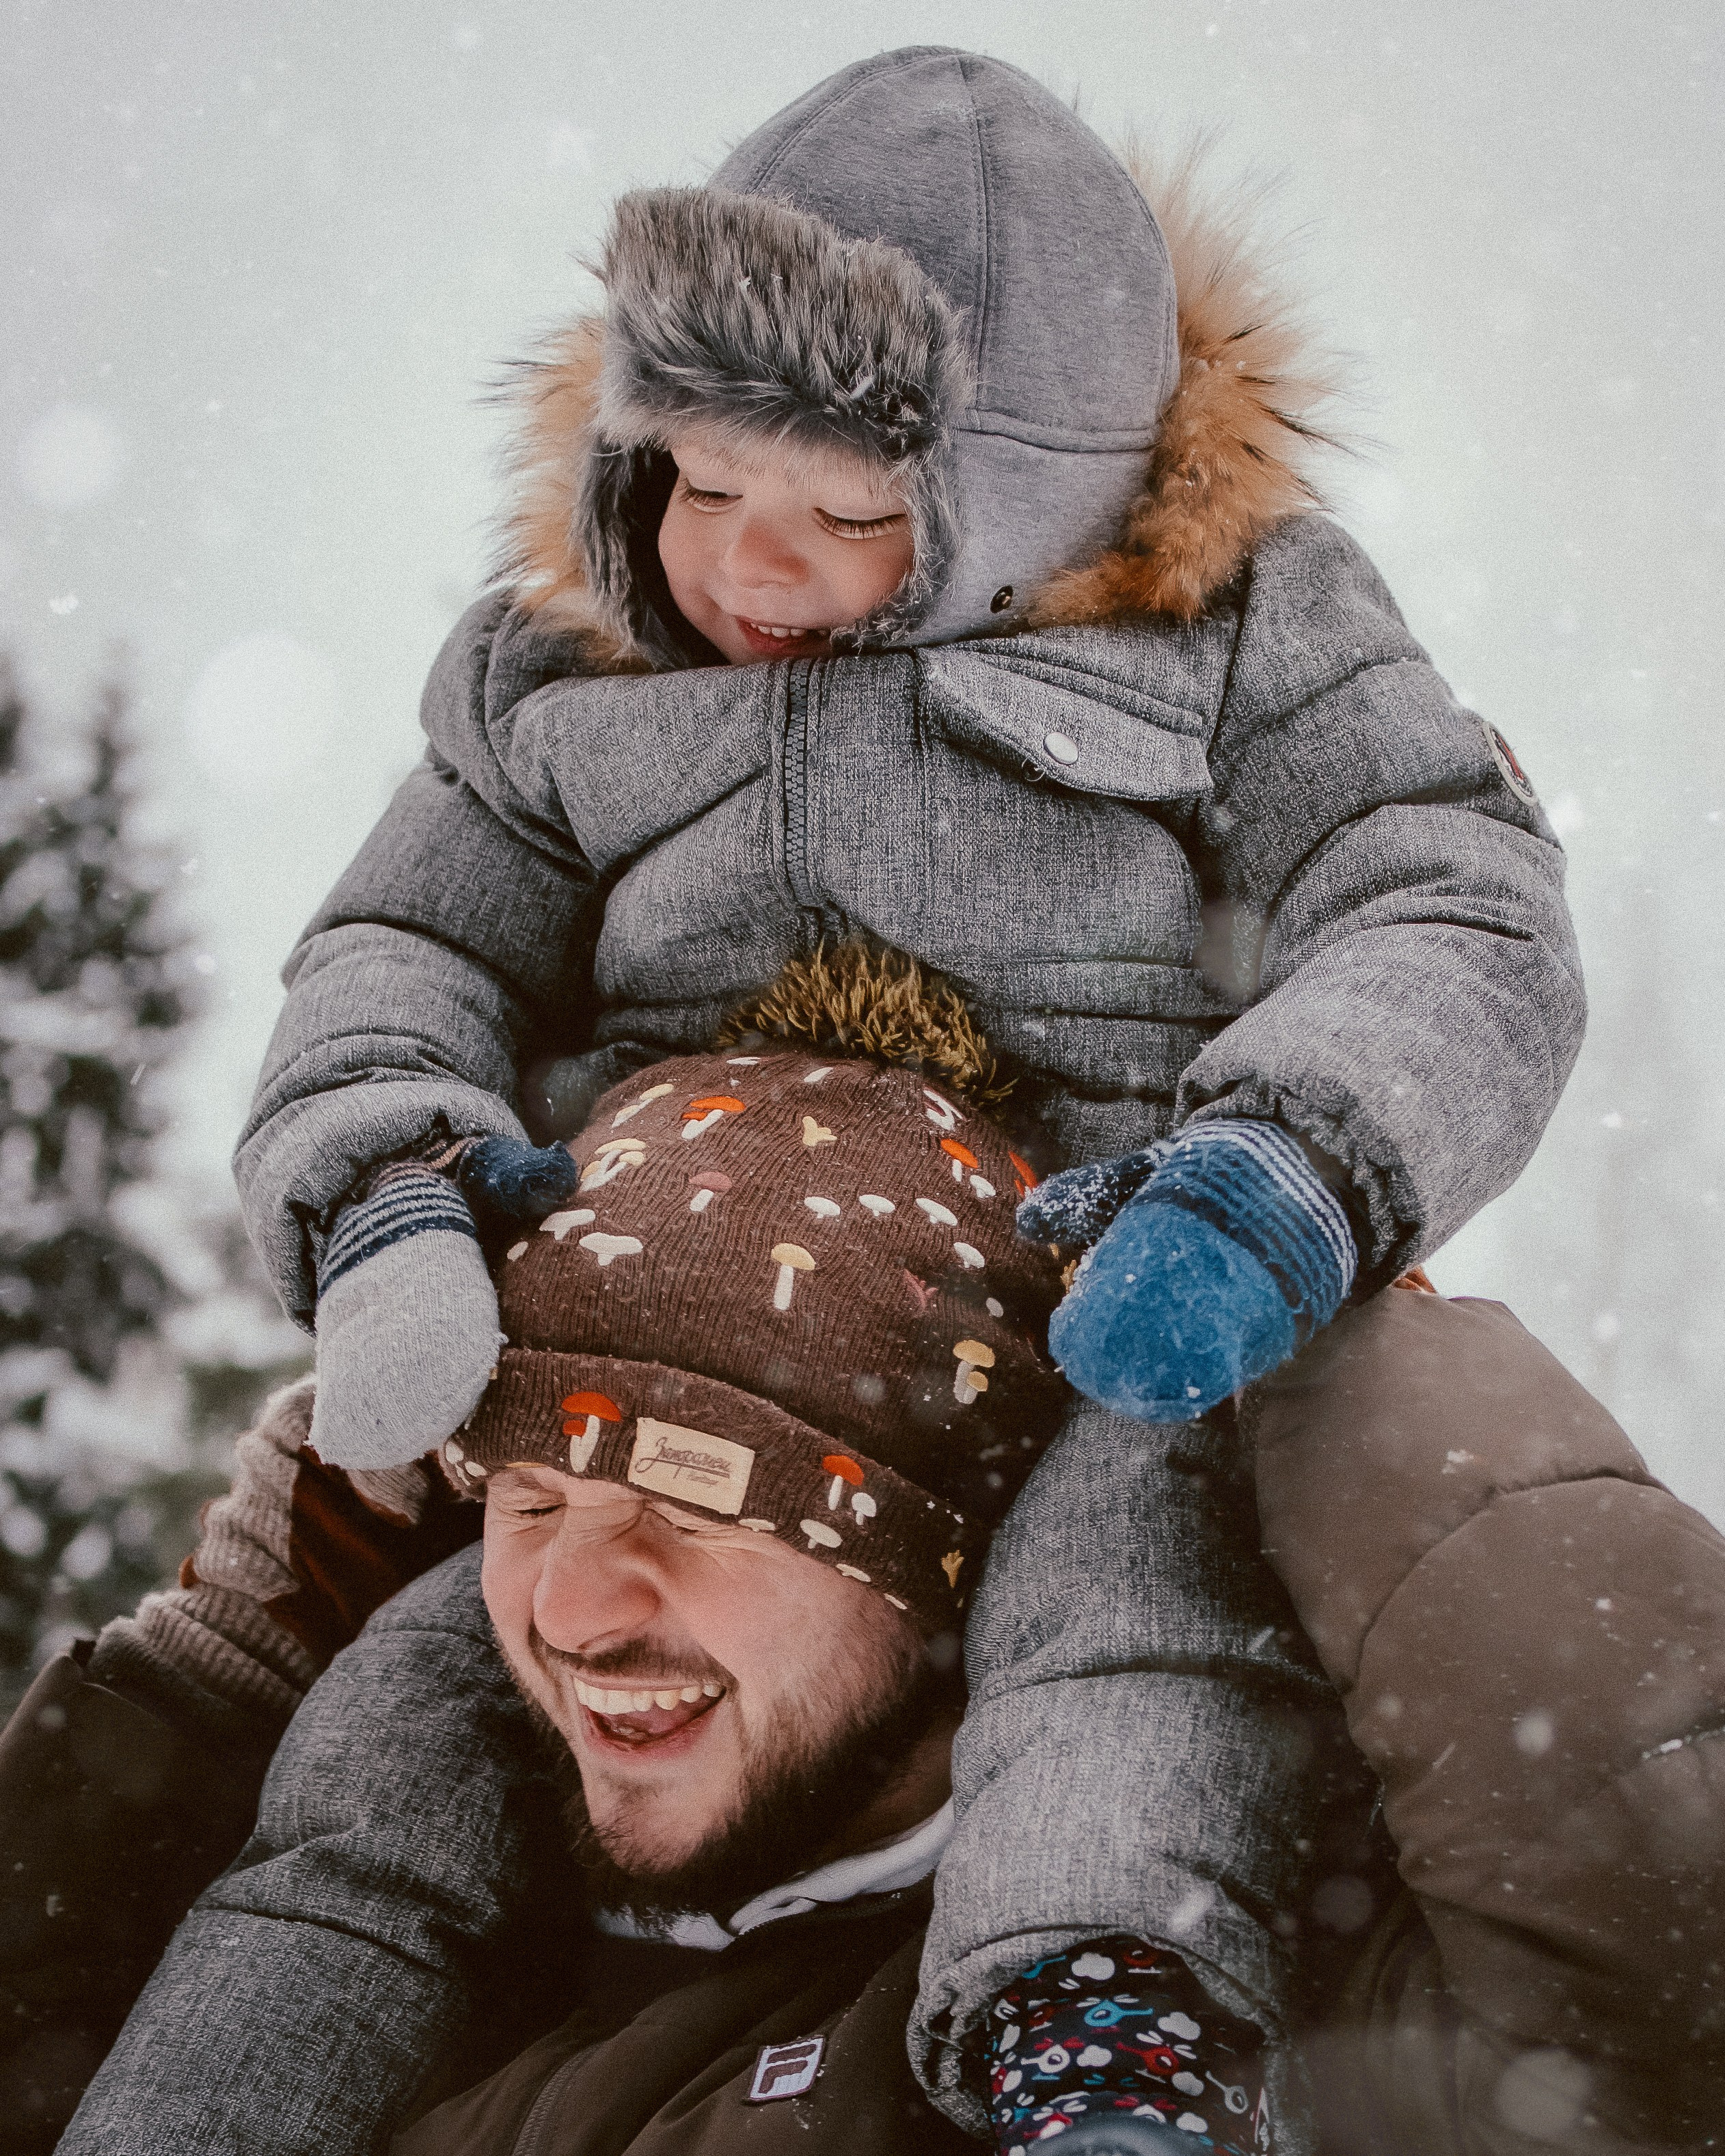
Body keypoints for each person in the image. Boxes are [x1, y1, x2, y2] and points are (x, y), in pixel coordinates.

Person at [25, 37, 1592, 2143]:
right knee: (396, 1740)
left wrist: (1281, 1167)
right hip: (621, 1311)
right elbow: (398, 951)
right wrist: (383, 1177)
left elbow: (1453, 901)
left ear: (1031, 496)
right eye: (695, 483)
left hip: (1082, 1304)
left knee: (1128, 1612)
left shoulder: (1230, 634)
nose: (747, 575)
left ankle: (1097, 2026)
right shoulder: (559, 676)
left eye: (848, 516)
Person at [55, 1005, 1724, 2154]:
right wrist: (211, 1690)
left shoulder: (1227, 2004)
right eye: (531, 1493)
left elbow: (1655, 2006)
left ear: (949, 1554)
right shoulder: (359, 1977)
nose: (567, 1607)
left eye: (698, 1505)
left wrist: (1331, 1335)